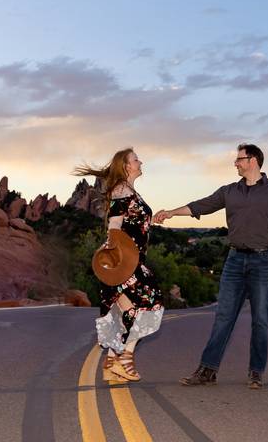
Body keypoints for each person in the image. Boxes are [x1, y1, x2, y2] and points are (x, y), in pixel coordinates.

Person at [154, 143, 268, 389]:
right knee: (223, 317)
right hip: (235, 260)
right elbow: (200, 205)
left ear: (253, 160)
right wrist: (170, 213)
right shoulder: (229, 191)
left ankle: (256, 372)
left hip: (265, 261)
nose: (235, 163)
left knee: (260, 320)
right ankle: (207, 371)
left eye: (239, 159)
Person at [73, 148, 163, 382]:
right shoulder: (122, 189)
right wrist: (116, 257)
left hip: (132, 260)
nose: (140, 161)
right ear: (126, 166)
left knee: (124, 312)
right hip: (125, 262)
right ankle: (125, 358)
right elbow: (114, 224)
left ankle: (111, 363)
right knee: (148, 304)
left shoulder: (129, 190)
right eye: (135, 159)